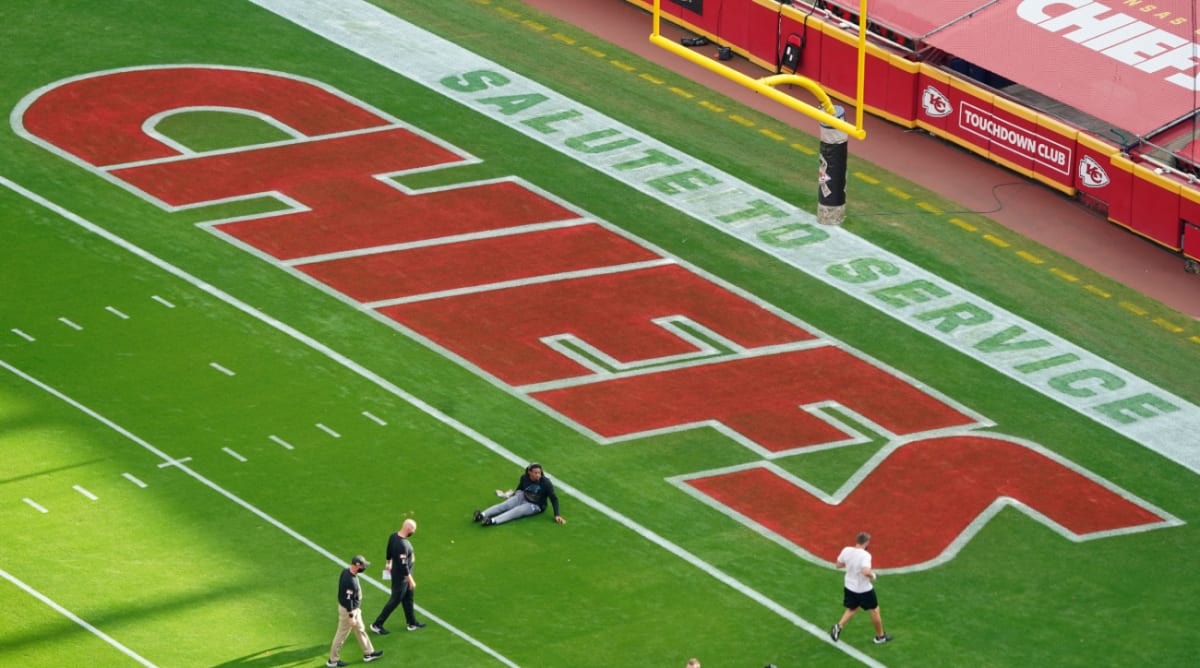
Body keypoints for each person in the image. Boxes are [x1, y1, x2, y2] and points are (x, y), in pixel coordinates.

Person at [830, 532, 892, 645]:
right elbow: (865, 571)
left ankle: (839, 626)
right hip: (863, 589)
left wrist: (851, 564)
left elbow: (838, 565)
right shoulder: (865, 555)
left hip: (849, 586)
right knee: (874, 610)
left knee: (853, 607)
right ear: (866, 542)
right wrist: (874, 576)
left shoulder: (846, 550)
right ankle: (880, 636)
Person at [370, 519, 426, 634]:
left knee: (408, 599)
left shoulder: (393, 536)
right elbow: (403, 565)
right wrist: (410, 580)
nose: (413, 532)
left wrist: (388, 564)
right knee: (395, 600)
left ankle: (412, 622)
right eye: (413, 530)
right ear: (408, 529)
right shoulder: (402, 545)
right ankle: (377, 624)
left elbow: (388, 551)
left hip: (401, 575)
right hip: (402, 578)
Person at [327, 555, 384, 667]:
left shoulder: (346, 572)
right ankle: (332, 660)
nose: (364, 568)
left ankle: (369, 653)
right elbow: (348, 600)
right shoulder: (350, 581)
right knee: (341, 635)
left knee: (360, 629)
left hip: (353, 610)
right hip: (349, 612)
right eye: (363, 566)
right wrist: (351, 616)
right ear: (357, 565)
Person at [473, 463, 566, 526]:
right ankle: (482, 515)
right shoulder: (524, 478)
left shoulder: (546, 483)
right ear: (529, 472)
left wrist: (557, 514)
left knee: (516, 511)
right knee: (506, 505)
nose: (538, 475)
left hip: (536, 505)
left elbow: (554, 498)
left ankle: (492, 521)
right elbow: (520, 488)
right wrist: (512, 495)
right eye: (536, 473)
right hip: (524, 496)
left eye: (539, 472)